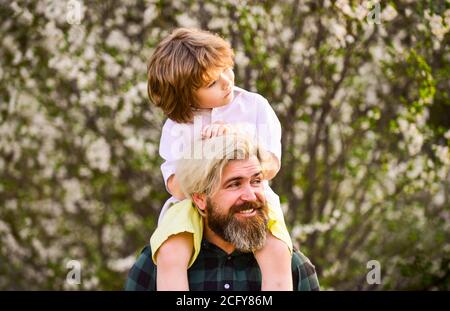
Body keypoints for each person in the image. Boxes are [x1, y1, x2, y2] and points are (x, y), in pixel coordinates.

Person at [147, 27, 293, 290]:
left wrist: (236, 142)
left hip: (254, 194)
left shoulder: (255, 106)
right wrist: (204, 158)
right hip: (190, 205)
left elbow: (270, 166)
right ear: (186, 95)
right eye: (212, 82)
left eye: (226, 69)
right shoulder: (178, 126)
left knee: (277, 251)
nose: (227, 81)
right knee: (170, 253)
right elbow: (176, 187)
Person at [125, 135, 320, 291]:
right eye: (234, 184)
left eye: (256, 181)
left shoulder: (292, 267)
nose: (250, 195)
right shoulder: (156, 265)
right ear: (200, 198)